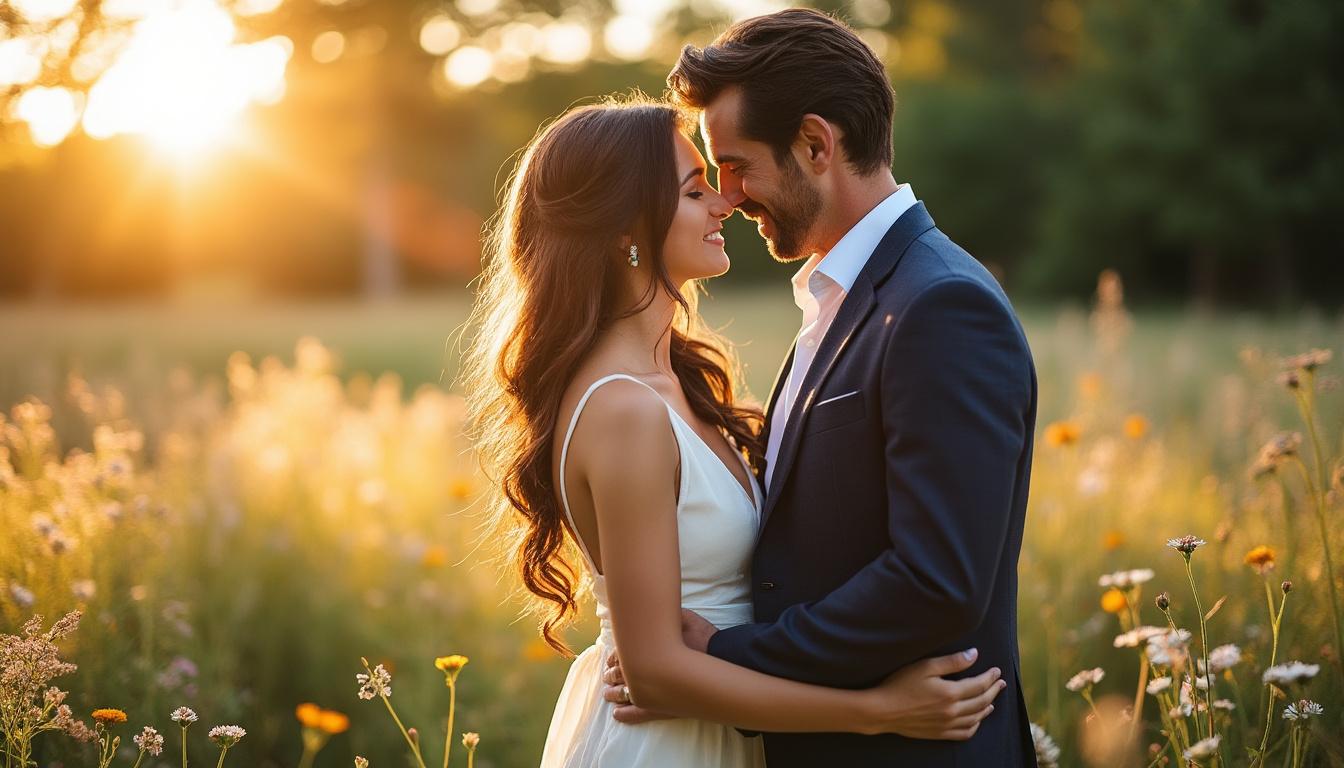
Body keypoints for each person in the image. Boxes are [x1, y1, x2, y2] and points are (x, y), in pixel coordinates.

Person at [460, 97, 1004, 768]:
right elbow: (653, 673)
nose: (724, 204)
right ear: (622, 227)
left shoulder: (675, 385)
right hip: (670, 744)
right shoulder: (623, 410)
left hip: (725, 728)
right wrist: (877, 712)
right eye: (695, 191)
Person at [601, 9, 1039, 766]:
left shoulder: (940, 306)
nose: (729, 197)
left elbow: (936, 580)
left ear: (816, 144)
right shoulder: (839, 296)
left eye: (736, 164)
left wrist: (731, 655)